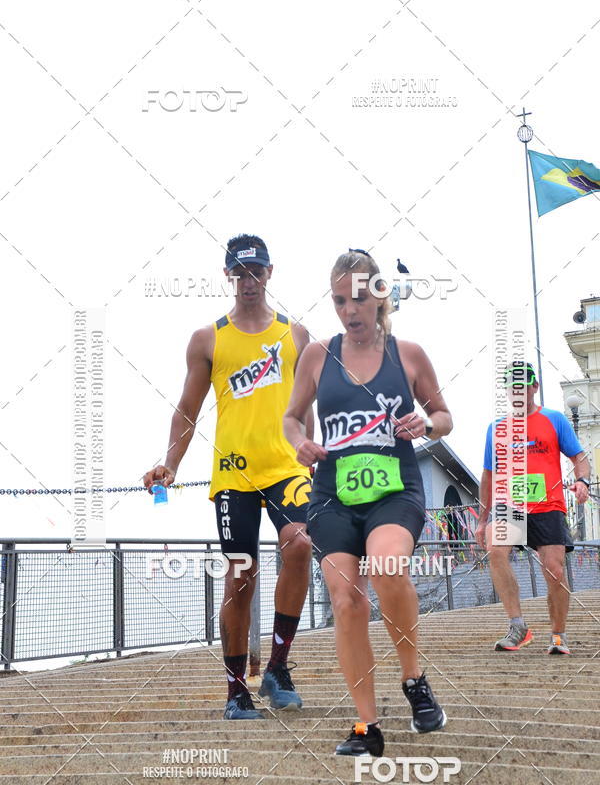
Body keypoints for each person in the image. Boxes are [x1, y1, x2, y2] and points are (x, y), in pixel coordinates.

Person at [283, 249, 452, 756]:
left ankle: (413, 678)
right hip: (333, 494)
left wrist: (427, 423)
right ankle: (367, 726)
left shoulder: (409, 355)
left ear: (380, 295)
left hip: (394, 490)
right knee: (345, 600)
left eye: (358, 297)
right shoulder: (317, 355)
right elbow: (292, 417)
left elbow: (444, 414)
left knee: (386, 565)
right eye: (339, 301)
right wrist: (299, 441)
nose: (349, 311)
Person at [144, 234, 313, 718]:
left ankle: (278, 667)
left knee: (300, 544)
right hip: (233, 475)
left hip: (286, 467)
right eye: (239, 273)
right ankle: (237, 690)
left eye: (256, 271)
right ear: (227, 277)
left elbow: (305, 409)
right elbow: (187, 411)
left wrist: (311, 453)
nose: (249, 281)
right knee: (241, 577)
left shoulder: (296, 335)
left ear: (270, 272)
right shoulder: (208, 339)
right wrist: (170, 465)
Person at [475, 361, 590, 655]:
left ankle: (558, 635)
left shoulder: (554, 419)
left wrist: (582, 481)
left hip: (548, 505)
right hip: (509, 505)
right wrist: (482, 519)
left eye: (522, 387)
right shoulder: (496, 429)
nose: (517, 393)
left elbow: (578, 456)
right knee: (496, 549)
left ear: (534, 387)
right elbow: (488, 475)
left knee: (553, 569)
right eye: (511, 388)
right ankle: (518, 626)